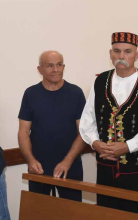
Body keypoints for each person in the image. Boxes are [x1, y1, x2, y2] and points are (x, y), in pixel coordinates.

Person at [79, 32, 138, 215]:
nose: (121, 56)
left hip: (137, 172)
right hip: (104, 172)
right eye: (117, 51)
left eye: (127, 51)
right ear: (110, 54)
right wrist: (95, 143)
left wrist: (128, 146)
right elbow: (87, 120)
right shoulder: (100, 81)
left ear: (137, 55)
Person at [18, 51, 87, 201]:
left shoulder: (76, 93)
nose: (56, 69)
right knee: (40, 218)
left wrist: (67, 162)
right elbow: (23, 132)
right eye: (49, 66)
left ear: (63, 66)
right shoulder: (30, 94)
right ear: (40, 69)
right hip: (39, 168)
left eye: (59, 64)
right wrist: (30, 160)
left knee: (72, 217)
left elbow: (83, 132)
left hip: (71, 167)